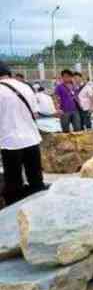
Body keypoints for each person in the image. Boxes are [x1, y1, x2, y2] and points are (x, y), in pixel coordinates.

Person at [0, 62, 46, 205]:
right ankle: (39, 208)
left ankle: (15, 214)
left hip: (10, 142)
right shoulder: (25, 86)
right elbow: (35, 113)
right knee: (36, 179)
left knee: (14, 182)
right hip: (32, 139)